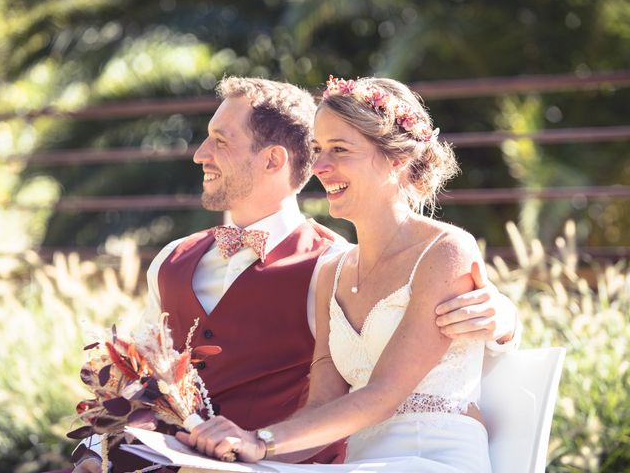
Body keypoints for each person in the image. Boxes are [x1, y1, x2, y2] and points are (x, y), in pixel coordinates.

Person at [70, 77, 518, 473]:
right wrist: (100, 448)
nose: (320, 166)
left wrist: (504, 319)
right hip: (327, 460)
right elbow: (139, 370)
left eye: (338, 150)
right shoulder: (332, 270)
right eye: (319, 150)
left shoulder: (426, 249)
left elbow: (383, 392)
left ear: (397, 160)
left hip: (426, 458)